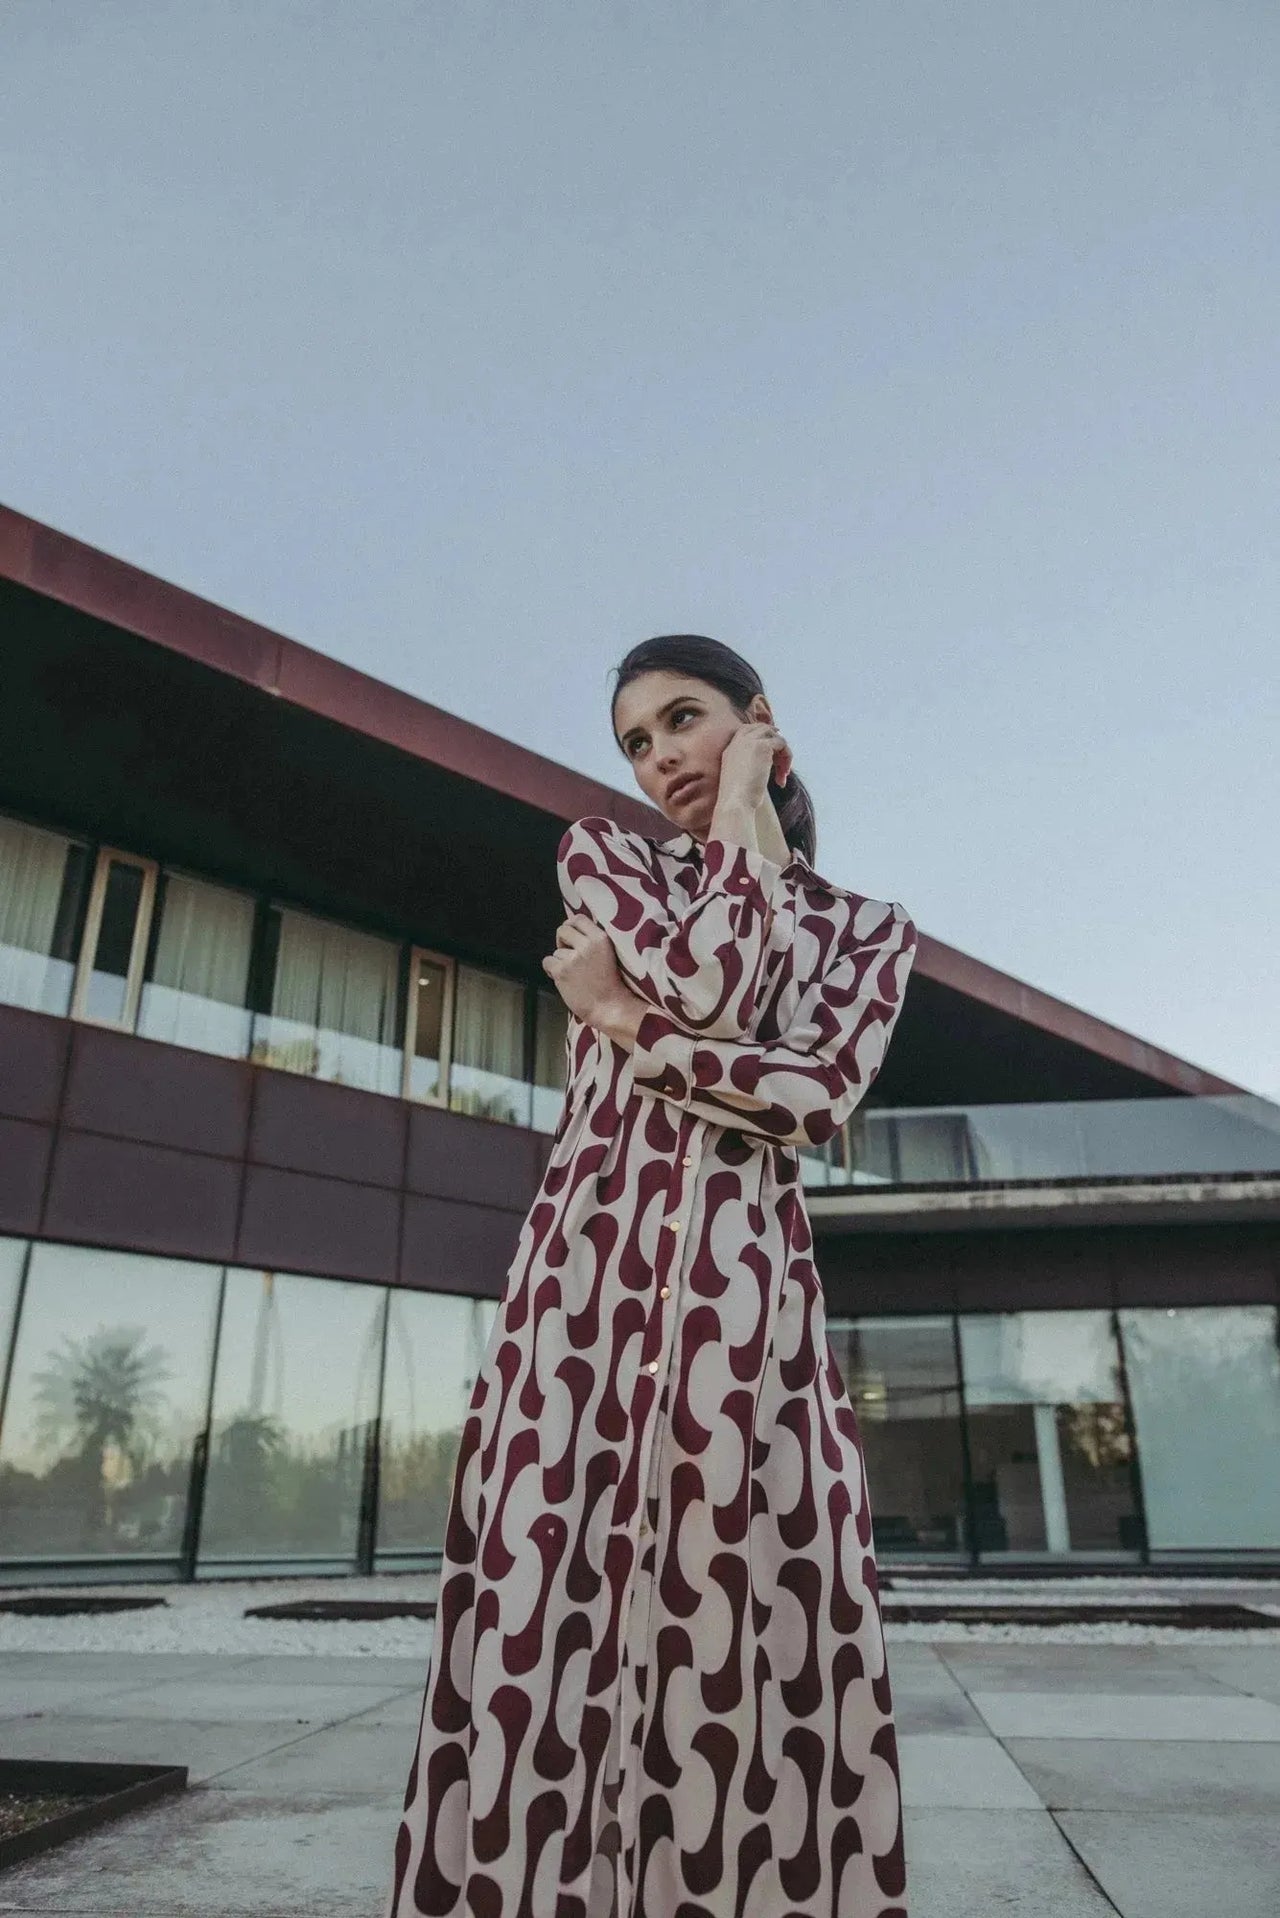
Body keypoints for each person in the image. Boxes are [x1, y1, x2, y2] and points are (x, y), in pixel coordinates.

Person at [386, 634, 917, 1918]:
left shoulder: (870, 934)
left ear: (756, 718)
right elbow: (724, 987)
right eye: (637, 739)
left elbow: (809, 1096)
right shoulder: (604, 856)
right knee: (535, 1621)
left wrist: (623, 1021)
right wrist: (693, 989)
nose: (659, 755)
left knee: (753, 1624)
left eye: (685, 720)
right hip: (579, 1291)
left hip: (752, 1317)